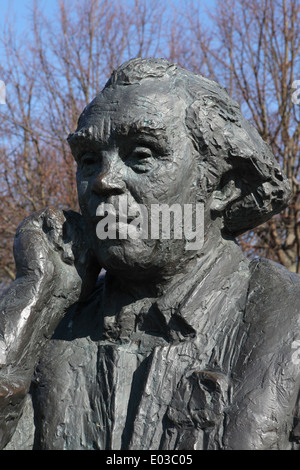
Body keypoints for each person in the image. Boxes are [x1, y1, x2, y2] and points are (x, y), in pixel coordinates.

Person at [0, 58, 299, 451]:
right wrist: (35, 305)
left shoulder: (288, 322)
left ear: (223, 185)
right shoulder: (45, 319)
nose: (103, 181)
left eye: (141, 155)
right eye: (89, 160)